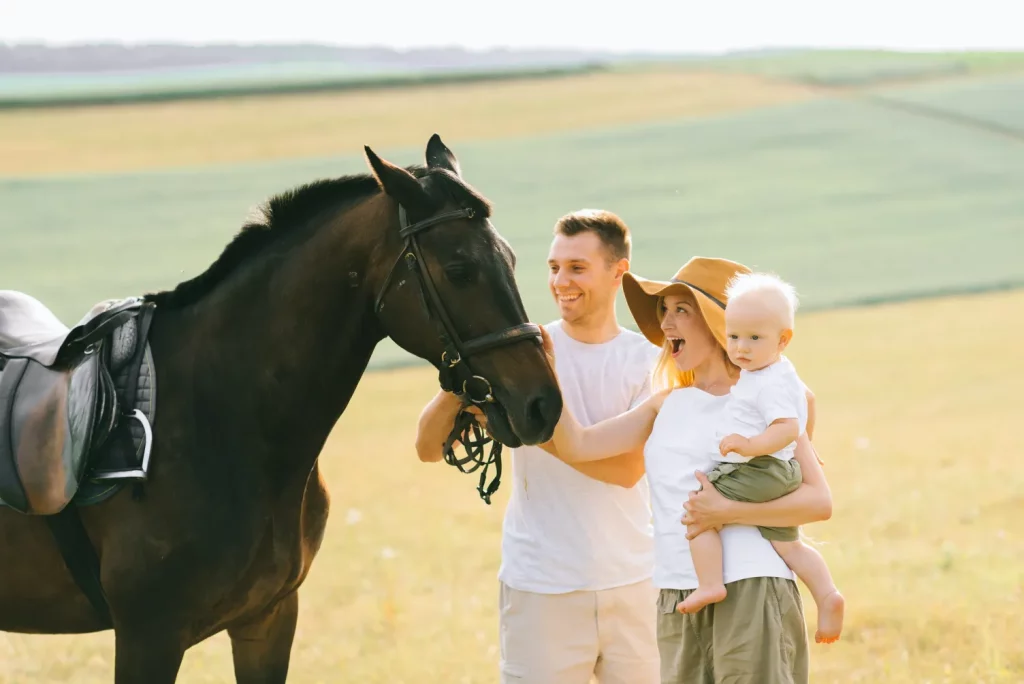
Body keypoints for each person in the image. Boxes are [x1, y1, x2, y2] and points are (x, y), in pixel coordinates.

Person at [543, 256, 834, 683]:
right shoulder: (666, 403)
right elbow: (579, 444)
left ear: (718, 321)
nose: (666, 323)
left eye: (682, 309)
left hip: (750, 585)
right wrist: (542, 374)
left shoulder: (772, 399)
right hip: (678, 591)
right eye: (664, 310)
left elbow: (816, 501)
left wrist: (726, 513)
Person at [416, 209, 662, 683]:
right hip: (540, 585)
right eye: (553, 267)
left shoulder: (648, 362)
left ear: (618, 272)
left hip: (634, 580)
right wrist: (463, 382)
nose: (560, 281)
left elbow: (627, 469)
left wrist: (515, 422)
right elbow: (428, 446)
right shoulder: (516, 356)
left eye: (576, 267)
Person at [675, 271, 844, 645]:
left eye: (754, 338)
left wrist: (747, 444)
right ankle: (827, 594)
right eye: (734, 336)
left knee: (699, 512)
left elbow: (787, 427)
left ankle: (709, 584)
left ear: (783, 340)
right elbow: (807, 405)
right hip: (773, 469)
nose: (741, 348)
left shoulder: (767, 381)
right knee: (789, 545)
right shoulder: (773, 372)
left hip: (759, 467)